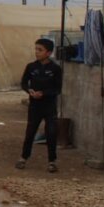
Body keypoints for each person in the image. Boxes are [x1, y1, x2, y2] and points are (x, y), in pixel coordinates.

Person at [16, 38, 63, 173]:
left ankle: (52, 161)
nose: (37, 52)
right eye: (36, 49)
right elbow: (24, 83)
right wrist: (29, 91)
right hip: (35, 106)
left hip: (49, 106)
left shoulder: (55, 69)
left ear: (48, 53)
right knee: (30, 132)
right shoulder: (31, 67)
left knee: (51, 133)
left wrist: (44, 93)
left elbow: (57, 89)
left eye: (40, 50)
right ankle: (23, 158)